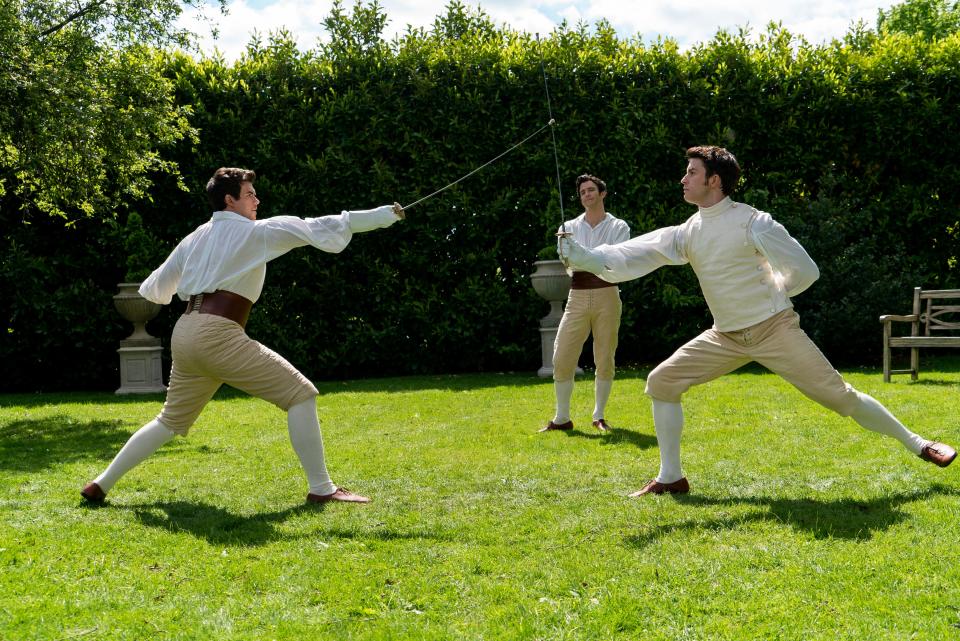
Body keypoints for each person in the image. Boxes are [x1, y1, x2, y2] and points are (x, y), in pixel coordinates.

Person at [559, 146, 956, 495]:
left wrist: (774, 297)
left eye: (691, 172)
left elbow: (804, 271)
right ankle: (671, 477)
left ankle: (918, 443)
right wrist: (586, 258)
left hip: (774, 330)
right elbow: (636, 253)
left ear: (714, 181)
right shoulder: (688, 231)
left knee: (842, 397)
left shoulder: (754, 222)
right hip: (724, 336)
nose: (683, 179)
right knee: (662, 382)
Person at [82, 167, 404, 505]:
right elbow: (318, 226)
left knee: (169, 421)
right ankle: (322, 489)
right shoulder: (257, 232)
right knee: (300, 395)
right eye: (250, 194)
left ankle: (100, 484)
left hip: (186, 331)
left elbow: (155, 289)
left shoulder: (194, 238)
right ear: (229, 200)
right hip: (216, 334)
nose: (257, 200)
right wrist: (385, 215)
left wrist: (204, 270)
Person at [539, 174, 630, 434]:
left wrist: (583, 255)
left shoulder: (618, 226)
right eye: (582, 192)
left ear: (602, 193)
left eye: (591, 190)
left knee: (604, 355)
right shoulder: (568, 226)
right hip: (577, 294)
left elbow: (616, 258)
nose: (587, 195)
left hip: (607, 293)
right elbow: (568, 261)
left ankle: (599, 416)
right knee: (562, 354)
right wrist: (585, 256)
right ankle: (562, 417)